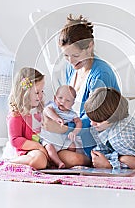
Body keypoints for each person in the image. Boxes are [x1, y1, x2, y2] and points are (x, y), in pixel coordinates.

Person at [41, 14, 120, 168]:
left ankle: (96, 160)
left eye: (75, 55)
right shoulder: (72, 70)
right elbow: (64, 104)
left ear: (90, 45)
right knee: (43, 146)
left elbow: (95, 118)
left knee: (62, 156)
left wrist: (63, 129)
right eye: (66, 55)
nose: (70, 61)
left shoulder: (100, 74)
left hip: (94, 138)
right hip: (73, 135)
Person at [85, 87, 135, 170]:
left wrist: (109, 164)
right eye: (90, 119)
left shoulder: (120, 136)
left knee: (125, 159)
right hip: (116, 152)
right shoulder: (104, 125)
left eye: (98, 121)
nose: (92, 124)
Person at [6, 67, 48, 170]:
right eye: (37, 93)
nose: (41, 95)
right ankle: (12, 162)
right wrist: (38, 147)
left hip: (45, 146)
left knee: (73, 158)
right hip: (28, 150)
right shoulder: (17, 114)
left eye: (42, 91)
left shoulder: (41, 109)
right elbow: (15, 140)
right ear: (24, 93)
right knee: (39, 161)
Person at [40, 85, 82, 169]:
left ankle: (67, 162)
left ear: (73, 103)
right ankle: (58, 163)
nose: (63, 102)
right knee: (49, 148)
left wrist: (74, 132)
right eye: (60, 98)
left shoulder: (72, 113)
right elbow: (47, 111)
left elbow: (79, 122)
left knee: (72, 145)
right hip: (49, 137)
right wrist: (56, 118)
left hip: (61, 138)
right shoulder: (53, 106)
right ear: (55, 98)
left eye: (68, 100)